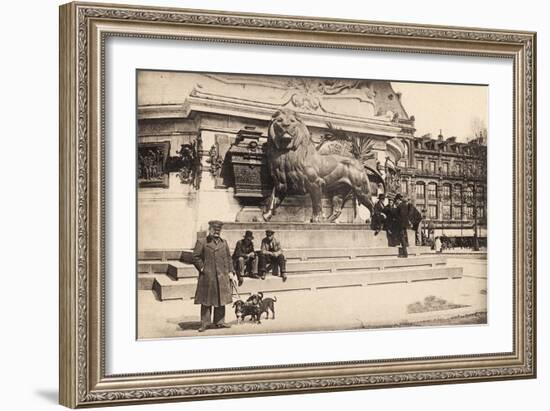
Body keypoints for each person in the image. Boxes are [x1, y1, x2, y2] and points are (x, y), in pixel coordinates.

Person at [192, 220, 237, 332]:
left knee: (221, 298)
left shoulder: (224, 243)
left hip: (222, 275)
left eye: (218, 230)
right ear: (210, 229)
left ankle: (220, 322)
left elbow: (228, 258)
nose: (216, 232)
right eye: (214, 230)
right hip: (208, 276)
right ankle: (205, 323)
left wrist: (231, 272)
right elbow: (195, 257)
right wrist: (202, 268)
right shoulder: (202, 242)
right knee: (207, 300)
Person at [392, 194, 410, 258]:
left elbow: (397, 215)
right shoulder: (405, 205)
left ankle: (405, 253)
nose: (395, 202)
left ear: (397, 200)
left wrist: (394, 209)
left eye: (395, 200)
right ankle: (406, 246)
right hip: (405, 224)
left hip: (400, 224)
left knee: (402, 238)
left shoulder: (399, 206)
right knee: (404, 237)